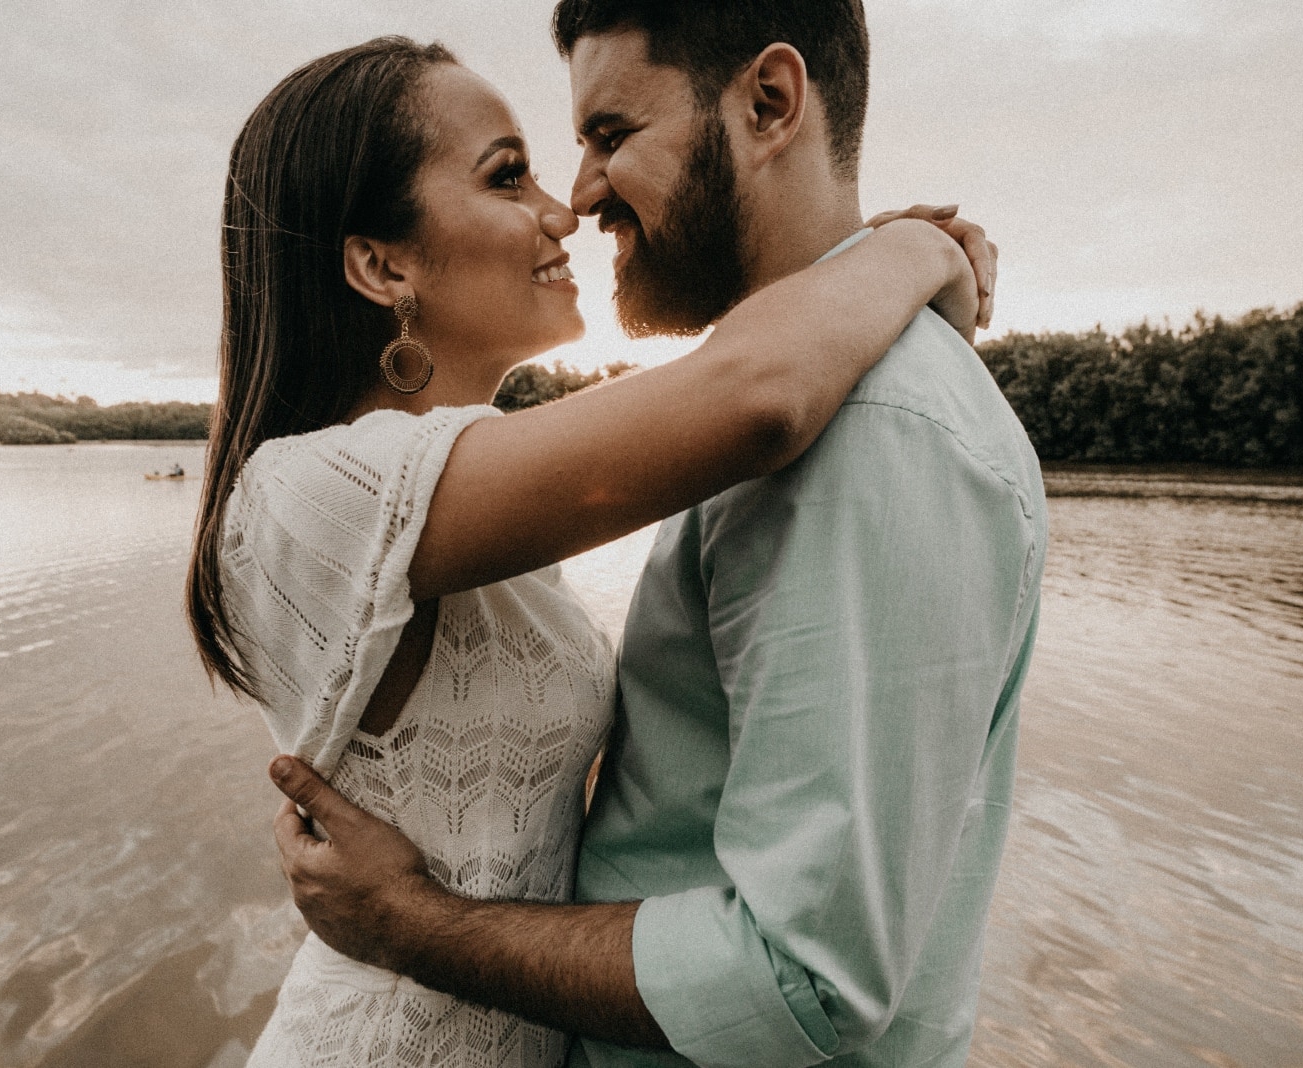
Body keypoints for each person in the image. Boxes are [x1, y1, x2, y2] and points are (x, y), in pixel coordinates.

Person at [186, 25, 992, 1068]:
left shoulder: (475, 503)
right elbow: (756, 395)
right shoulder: (307, 492)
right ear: (380, 263)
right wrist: (912, 249)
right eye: (508, 176)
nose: (562, 209)